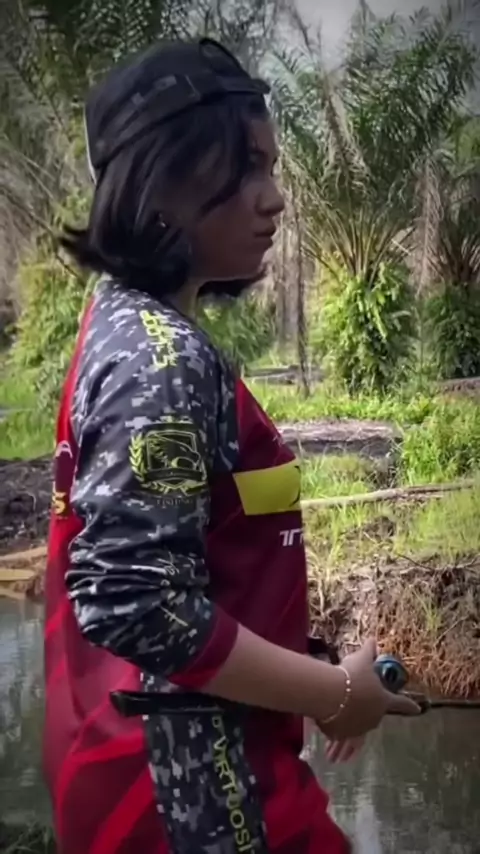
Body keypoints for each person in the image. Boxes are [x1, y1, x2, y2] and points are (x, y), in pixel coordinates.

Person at [43, 37, 419, 854]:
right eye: (248, 168)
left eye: (272, 169)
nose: (274, 199)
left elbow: (193, 567)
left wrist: (316, 668)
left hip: (156, 779)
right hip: (198, 804)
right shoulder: (159, 359)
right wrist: (331, 693)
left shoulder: (126, 328)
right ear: (161, 180)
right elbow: (136, 601)